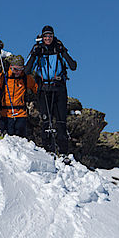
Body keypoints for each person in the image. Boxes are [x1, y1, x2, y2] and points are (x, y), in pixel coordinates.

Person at [24, 25, 77, 153]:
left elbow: (73, 66)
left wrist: (63, 52)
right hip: (43, 89)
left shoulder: (58, 49)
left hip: (59, 88)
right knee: (45, 120)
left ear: (53, 36)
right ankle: (48, 149)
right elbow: (27, 70)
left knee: (61, 121)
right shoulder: (38, 50)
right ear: (42, 37)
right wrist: (34, 55)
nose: (48, 38)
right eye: (45, 36)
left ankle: (63, 151)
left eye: (50, 36)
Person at [0, 54, 37, 137]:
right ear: (11, 66)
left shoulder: (26, 78)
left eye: (20, 69)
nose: (17, 71)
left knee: (19, 139)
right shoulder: (3, 77)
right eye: (15, 69)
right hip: (5, 113)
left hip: (21, 114)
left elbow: (36, 88)